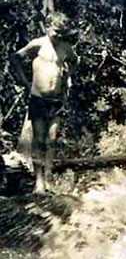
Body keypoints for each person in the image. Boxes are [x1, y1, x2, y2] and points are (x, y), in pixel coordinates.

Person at [9, 12, 78, 193]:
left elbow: (75, 61)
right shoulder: (38, 44)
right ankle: (38, 182)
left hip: (57, 100)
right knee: (39, 139)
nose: (58, 35)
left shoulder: (65, 48)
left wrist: (68, 78)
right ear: (47, 28)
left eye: (62, 32)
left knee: (52, 139)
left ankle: (48, 179)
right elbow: (15, 58)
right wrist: (24, 82)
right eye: (56, 31)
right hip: (38, 99)